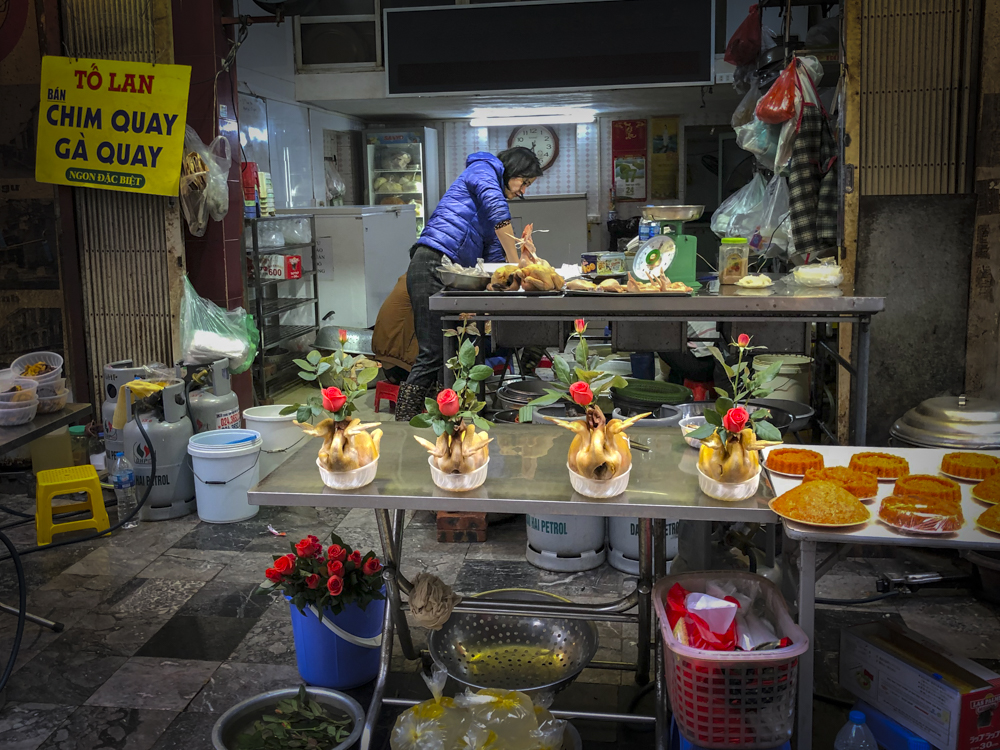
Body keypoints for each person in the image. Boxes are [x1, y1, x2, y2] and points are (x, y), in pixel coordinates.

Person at [395, 147, 543, 421]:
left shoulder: (491, 202)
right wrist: (518, 261)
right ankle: (404, 421)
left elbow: (496, 260)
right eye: (524, 182)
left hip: (450, 272)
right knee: (434, 351)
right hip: (430, 262)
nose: (523, 191)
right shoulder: (483, 169)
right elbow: (499, 212)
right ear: (511, 170)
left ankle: (448, 420)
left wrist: (522, 264)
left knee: (457, 350)